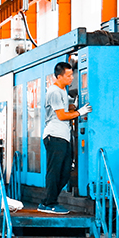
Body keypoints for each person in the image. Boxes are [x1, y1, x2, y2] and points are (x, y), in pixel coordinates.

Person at [40, 61, 91, 214]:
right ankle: (49, 203)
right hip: (54, 135)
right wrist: (79, 112)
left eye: (71, 75)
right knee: (55, 171)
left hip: (63, 137)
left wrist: (73, 106)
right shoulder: (54, 91)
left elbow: (65, 108)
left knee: (65, 172)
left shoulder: (63, 90)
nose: (71, 78)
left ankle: (48, 201)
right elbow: (61, 115)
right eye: (68, 76)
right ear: (59, 76)